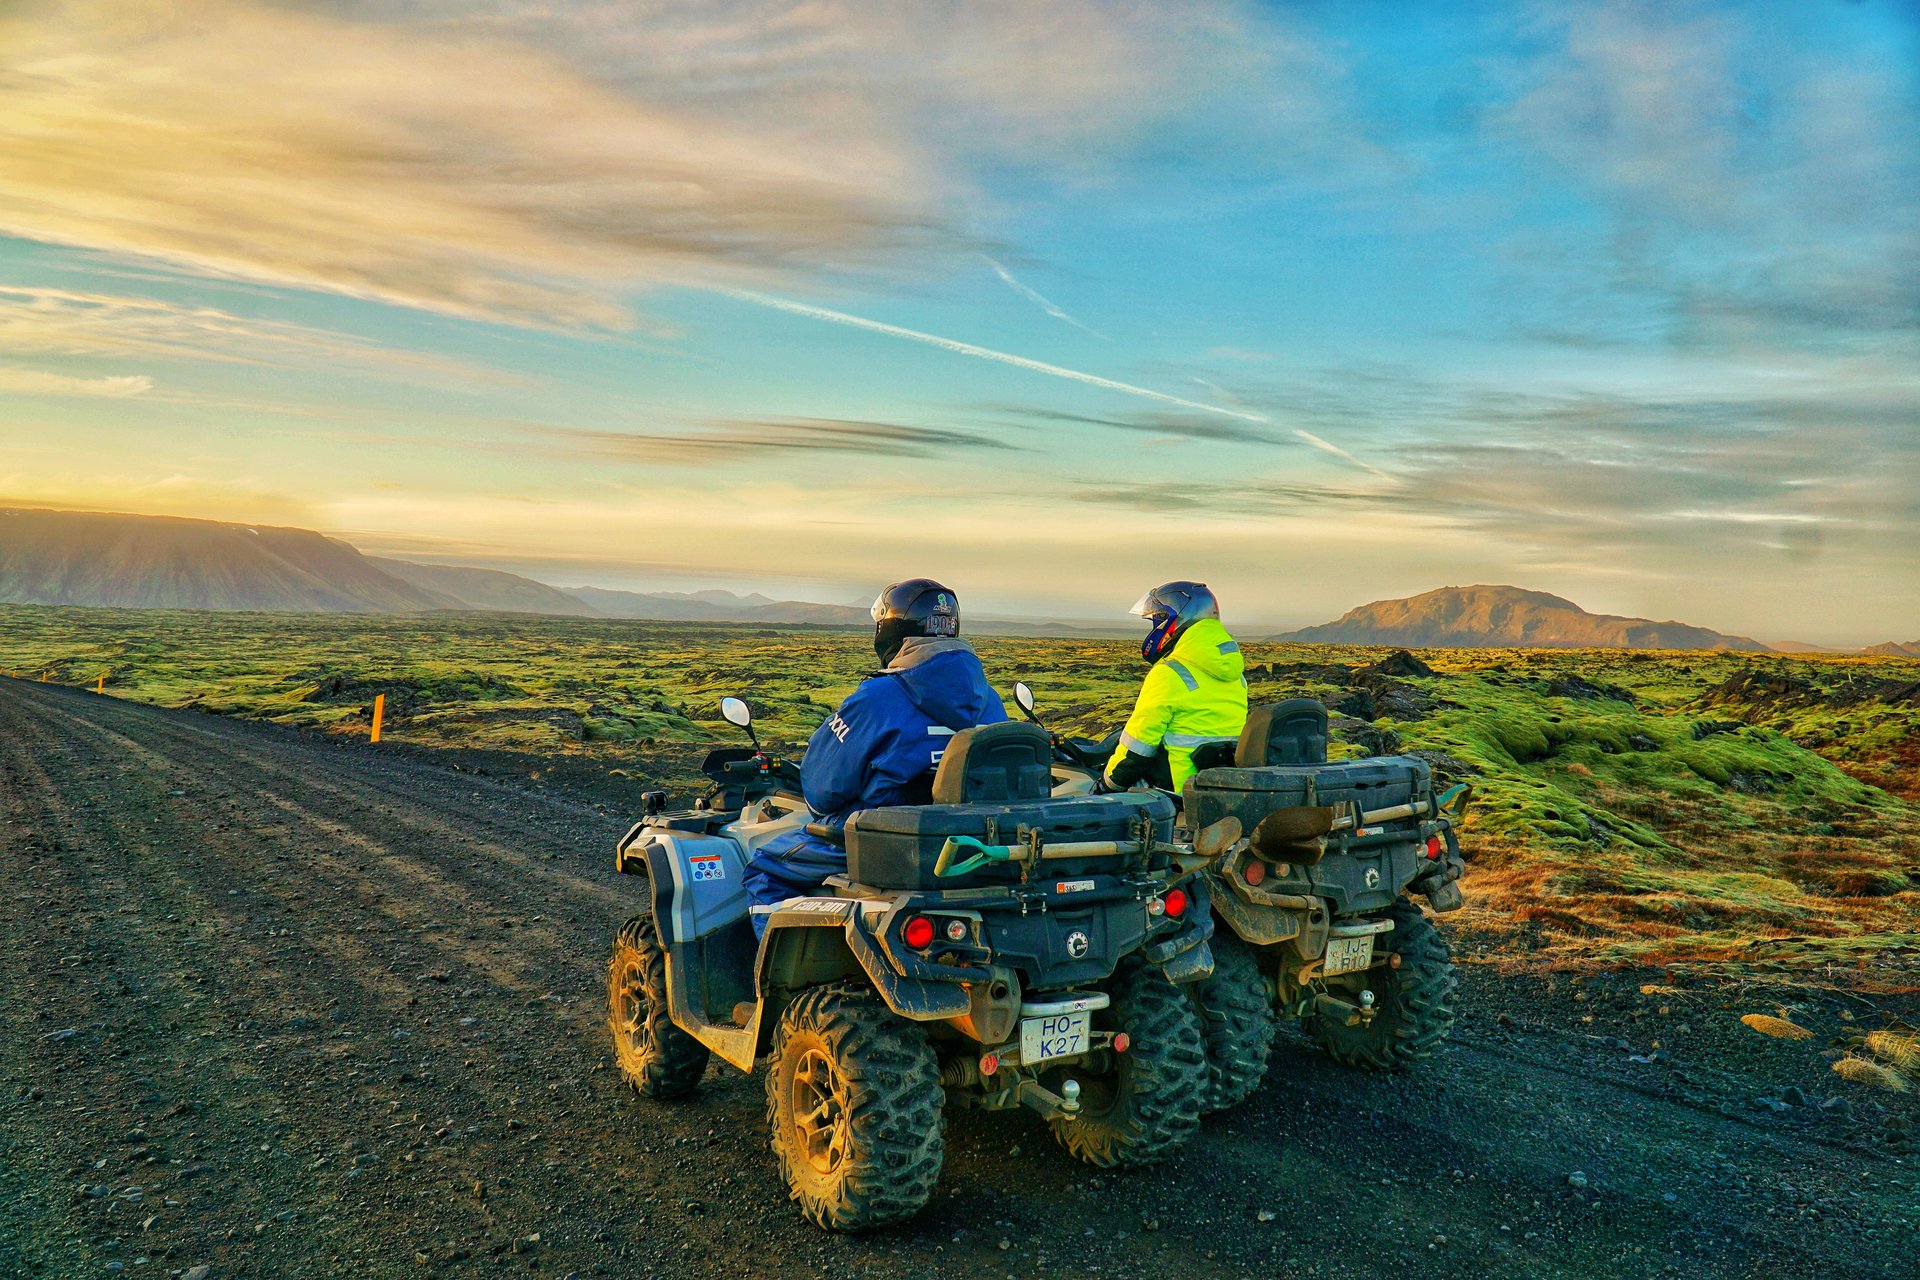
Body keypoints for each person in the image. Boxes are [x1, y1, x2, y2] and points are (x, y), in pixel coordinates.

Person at [742, 578, 1006, 931]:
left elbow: (821, 792)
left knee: (766, 869)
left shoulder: (877, 698)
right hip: (969, 845)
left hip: (882, 843)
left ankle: (769, 981)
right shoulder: (991, 701)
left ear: (892, 628)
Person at [1103, 581, 1248, 794]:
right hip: (1227, 789)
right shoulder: (1237, 675)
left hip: (1179, 794)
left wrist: (1106, 786)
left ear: (1172, 619)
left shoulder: (1168, 673)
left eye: (1156, 620)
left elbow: (1136, 751)